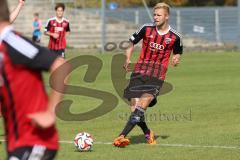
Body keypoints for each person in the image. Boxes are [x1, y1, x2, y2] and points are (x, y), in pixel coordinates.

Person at [0, 0, 70, 159]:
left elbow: (61, 65)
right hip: (17, 143)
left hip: (35, 141)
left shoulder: (11, 42)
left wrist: (50, 112)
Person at [113, 2, 183, 147]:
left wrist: (176, 59)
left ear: (167, 16)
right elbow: (131, 42)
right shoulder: (146, 29)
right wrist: (127, 58)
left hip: (157, 76)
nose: (156, 17)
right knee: (135, 109)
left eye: (159, 15)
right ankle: (147, 132)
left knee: (142, 106)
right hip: (139, 72)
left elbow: (177, 52)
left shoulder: (175, 37)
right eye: (155, 15)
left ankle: (121, 136)